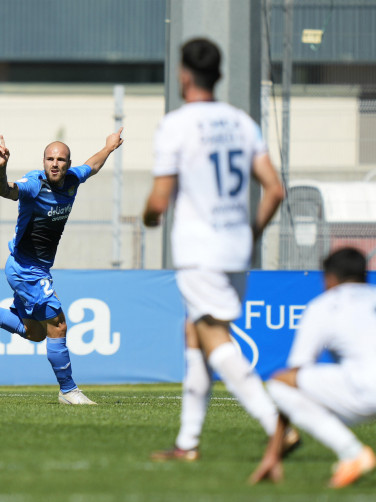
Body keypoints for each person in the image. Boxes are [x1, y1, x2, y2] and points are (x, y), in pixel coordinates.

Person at [142, 38, 291, 461]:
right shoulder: (242, 121)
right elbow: (275, 190)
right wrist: (252, 233)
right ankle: (187, 443)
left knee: (212, 336)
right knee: (195, 332)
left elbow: (158, 201)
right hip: (235, 247)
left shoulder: (177, 124)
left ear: (184, 75)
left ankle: (275, 424)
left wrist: (149, 218)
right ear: (219, 74)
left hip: (199, 251)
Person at [0, 129, 123, 405]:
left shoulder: (73, 179)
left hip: (37, 269)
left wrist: (108, 147)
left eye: (61, 159)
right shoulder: (34, 184)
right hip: (25, 269)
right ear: (43, 161)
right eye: (50, 158)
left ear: (68, 164)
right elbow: (4, 190)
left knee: (35, 333)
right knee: (58, 326)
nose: (55, 163)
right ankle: (68, 390)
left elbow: (93, 165)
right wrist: (1, 169)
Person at [249, 247, 376, 488]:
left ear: (329, 278)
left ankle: (352, 453)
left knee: (281, 383)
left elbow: (295, 375)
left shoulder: (325, 304)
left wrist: (273, 453)